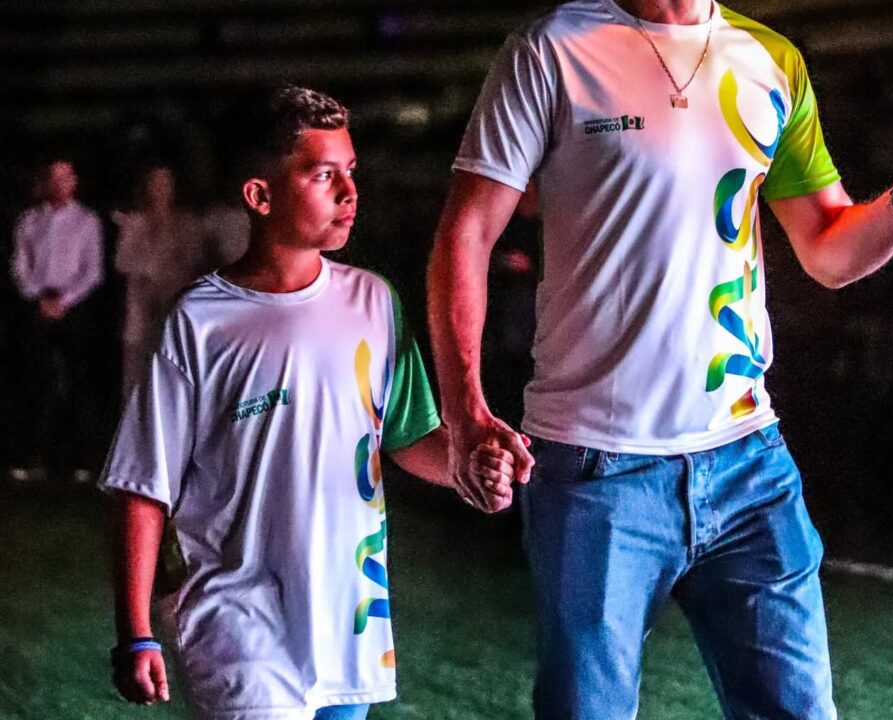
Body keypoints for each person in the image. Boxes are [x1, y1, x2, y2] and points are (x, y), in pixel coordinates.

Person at [427, 0, 893, 720]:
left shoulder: (771, 63)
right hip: (598, 471)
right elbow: (466, 234)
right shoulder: (554, 53)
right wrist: (466, 413)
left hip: (748, 460)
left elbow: (829, 250)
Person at [99, 85, 514, 720]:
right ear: (260, 196)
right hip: (237, 625)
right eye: (323, 175)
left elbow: (408, 441)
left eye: (351, 171)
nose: (349, 192)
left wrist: (472, 463)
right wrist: (136, 632)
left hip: (350, 627)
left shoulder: (375, 302)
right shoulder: (201, 320)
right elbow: (142, 483)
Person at [9, 156, 104, 481]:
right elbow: (20, 264)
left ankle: (80, 459)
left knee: (77, 382)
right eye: (54, 177)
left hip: (74, 307)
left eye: (66, 177)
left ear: (74, 182)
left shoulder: (87, 220)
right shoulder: (30, 220)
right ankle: (35, 456)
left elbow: (93, 270)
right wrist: (38, 296)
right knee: (37, 381)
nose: (59, 184)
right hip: (37, 305)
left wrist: (63, 300)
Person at [113, 164, 205, 401]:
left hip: (173, 310)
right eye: (155, 183)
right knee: (136, 380)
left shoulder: (187, 224)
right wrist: (149, 271)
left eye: (165, 183)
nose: (160, 189)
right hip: (139, 314)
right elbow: (122, 261)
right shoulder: (134, 222)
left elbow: (192, 261)